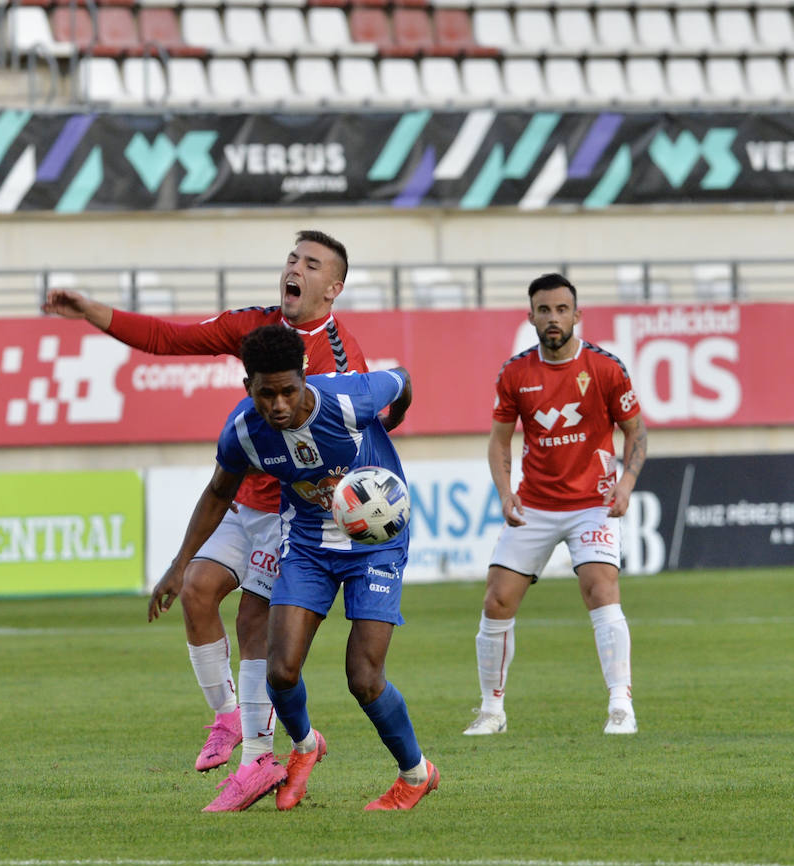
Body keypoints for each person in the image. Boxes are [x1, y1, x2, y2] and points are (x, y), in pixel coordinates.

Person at [43, 231, 371, 810]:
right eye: (292, 258)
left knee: (252, 623)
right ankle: (234, 721)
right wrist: (92, 311)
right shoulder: (255, 326)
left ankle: (259, 762)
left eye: (311, 263)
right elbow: (171, 339)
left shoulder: (343, 362)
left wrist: (338, 494)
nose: (294, 268)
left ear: (333, 287)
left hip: (291, 518)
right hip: (245, 502)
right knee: (196, 590)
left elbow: (368, 433)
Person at [151, 325, 438, 811]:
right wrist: (180, 566)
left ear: (305, 379)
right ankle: (305, 746)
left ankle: (415, 773)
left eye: (289, 390)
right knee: (281, 672)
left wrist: (395, 419)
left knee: (364, 678)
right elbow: (219, 492)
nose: (279, 404)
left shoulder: (349, 402)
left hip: (374, 545)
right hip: (307, 544)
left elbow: (403, 378)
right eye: (266, 394)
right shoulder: (243, 429)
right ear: (249, 389)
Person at [462, 272, 647, 738]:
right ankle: (491, 711)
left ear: (577, 315)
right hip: (536, 505)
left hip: (593, 502)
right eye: (543, 310)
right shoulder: (516, 373)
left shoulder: (605, 368)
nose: (553, 318)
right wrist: (506, 494)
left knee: (600, 589)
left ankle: (621, 705)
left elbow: (637, 432)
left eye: (561, 310)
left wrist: (625, 484)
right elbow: (499, 443)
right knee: (497, 599)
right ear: (530, 317)